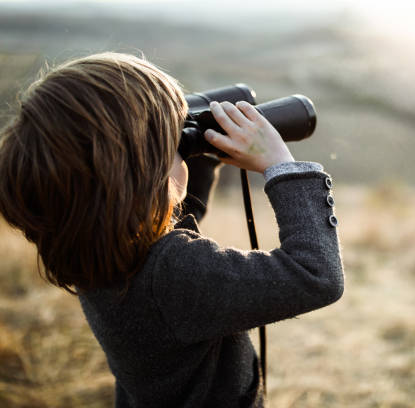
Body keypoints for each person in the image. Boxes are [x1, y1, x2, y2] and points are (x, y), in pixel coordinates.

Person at [0, 52, 344, 407]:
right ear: (145, 179)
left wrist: (198, 150)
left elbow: (166, 217)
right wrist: (280, 167)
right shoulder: (174, 274)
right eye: (173, 149)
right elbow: (315, 274)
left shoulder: (89, 244)